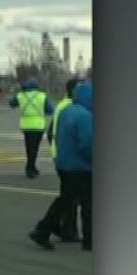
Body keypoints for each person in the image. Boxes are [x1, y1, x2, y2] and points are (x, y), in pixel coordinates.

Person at [30, 80, 93, 251]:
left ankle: (44, 228)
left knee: (66, 199)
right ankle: (89, 239)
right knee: (87, 203)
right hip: (81, 166)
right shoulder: (85, 116)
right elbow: (88, 144)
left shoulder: (66, 111)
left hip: (65, 163)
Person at [47, 78, 83, 240]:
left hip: (63, 157)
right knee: (72, 196)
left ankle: (60, 227)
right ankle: (63, 228)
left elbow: (50, 132)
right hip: (69, 159)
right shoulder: (70, 107)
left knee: (69, 195)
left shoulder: (63, 105)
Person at [10, 77, 54, 178]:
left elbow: (12, 104)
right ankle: (30, 168)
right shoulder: (42, 96)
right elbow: (50, 110)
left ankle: (31, 167)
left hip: (26, 126)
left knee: (29, 147)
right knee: (35, 148)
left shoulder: (21, 95)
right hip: (38, 125)